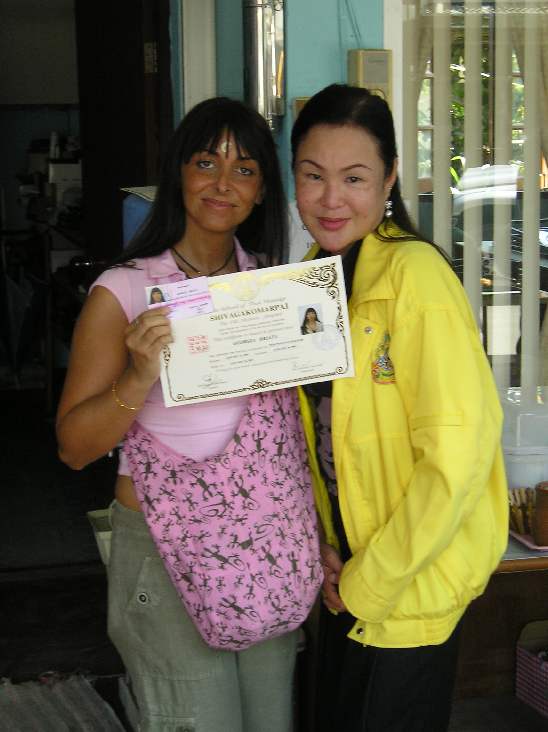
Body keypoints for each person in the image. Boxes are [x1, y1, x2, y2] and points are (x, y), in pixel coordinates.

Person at [56, 97, 321, 732]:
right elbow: (74, 448)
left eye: (245, 169)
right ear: (179, 172)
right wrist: (138, 375)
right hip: (166, 548)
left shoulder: (276, 291)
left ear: (262, 191)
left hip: (265, 546)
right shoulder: (124, 290)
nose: (223, 183)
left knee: (270, 722)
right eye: (207, 162)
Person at [292, 83, 509, 732]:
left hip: (403, 589)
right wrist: (325, 547)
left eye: (354, 178)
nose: (331, 199)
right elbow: (326, 442)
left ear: (388, 179)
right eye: (313, 175)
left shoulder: (417, 278)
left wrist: (369, 582)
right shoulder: (314, 273)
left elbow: (456, 460)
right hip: (348, 576)